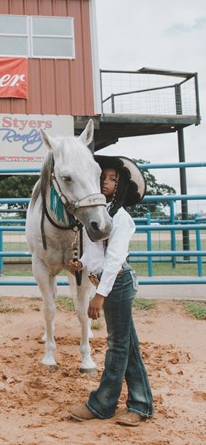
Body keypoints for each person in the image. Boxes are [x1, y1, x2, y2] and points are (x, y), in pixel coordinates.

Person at [68, 155, 154, 426]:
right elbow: (95, 254)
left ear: (121, 186)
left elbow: (115, 260)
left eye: (112, 179)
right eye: (103, 177)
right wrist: (81, 263)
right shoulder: (99, 215)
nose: (106, 182)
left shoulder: (122, 218)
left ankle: (102, 404)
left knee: (117, 345)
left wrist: (99, 295)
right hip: (107, 281)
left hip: (117, 283)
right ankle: (140, 405)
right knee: (127, 346)